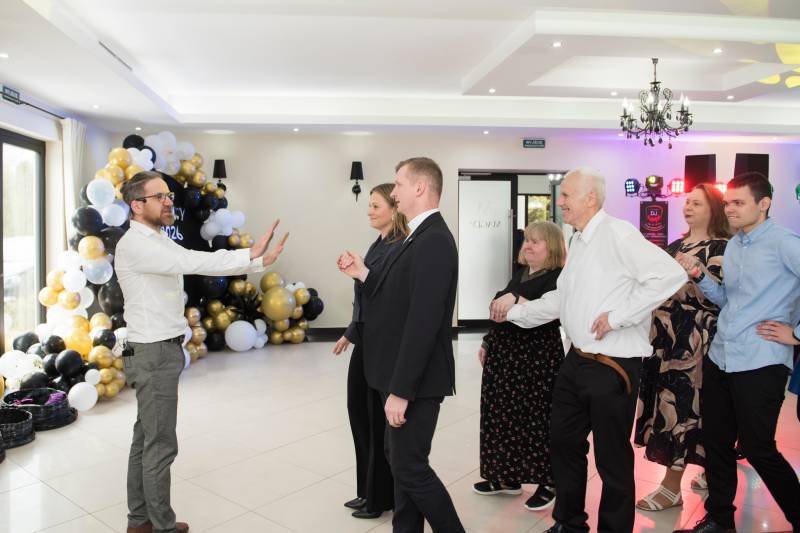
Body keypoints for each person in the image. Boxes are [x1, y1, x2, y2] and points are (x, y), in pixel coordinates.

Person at [492, 167, 686, 533]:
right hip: (576, 361)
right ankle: (569, 523)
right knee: (563, 444)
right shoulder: (578, 240)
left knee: (612, 459)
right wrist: (514, 312)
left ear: (591, 197)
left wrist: (619, 317)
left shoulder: (618, 233)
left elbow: (670, 275)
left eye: (566, 195)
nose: (560, 202)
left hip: (613, 365)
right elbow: (562, 299)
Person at [116, 171, 287, 533]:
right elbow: (194, 262)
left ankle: (139, 520)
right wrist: (251, 254)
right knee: (160, 444)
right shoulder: (136, 245)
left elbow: (189, 259)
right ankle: (161, 526)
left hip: (155, 351)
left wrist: (257, 262)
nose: (169, 202)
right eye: (159, 197)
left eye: (168, 196)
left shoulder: (156, 240)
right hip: (152, 354)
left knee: (145, 439)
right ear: (136, 205)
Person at [338, 157, 464, 533]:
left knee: (409, 467)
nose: (394, 192)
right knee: (400, 462)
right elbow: (396, 297)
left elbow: (423, 323)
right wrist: (363, 273)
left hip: (416, 380)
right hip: (400, 372)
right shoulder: (415, 236)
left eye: (398, 184)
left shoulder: (434, 240)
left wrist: (401, 389)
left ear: (420, 188)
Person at [673, 172, 800, 533]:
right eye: (728, 202)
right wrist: (700, 276)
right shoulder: (734, 246)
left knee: (759, 449)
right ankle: (719, 519)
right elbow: (729, 300)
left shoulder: (785, 243)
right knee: (716, 444)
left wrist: (796, 334)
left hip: (761, 361)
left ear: (764, 204)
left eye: (739, 203)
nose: (729, 209)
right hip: (722, 355)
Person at [634, 184, 730, 511]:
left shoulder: (722, 247)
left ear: (713, 208)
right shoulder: (674, 245)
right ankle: (711, 470)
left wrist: (696, 272)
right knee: (664, 406)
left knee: (686, 410)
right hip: (664, 337)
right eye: (687, 202)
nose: (688, 207)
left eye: (697, 203)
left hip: (693, 342)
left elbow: (720, 298)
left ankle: (671, 487)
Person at [472, 221, 566, 512]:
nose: (528, 246)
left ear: (552, 246)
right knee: (501, 416)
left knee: (537, 418)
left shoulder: (558, 278)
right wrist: (488, 342)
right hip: (506, 356)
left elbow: (540, 312)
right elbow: (499, 309)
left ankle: (548, 482)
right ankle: (506, 476)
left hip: (537, 359)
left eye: (536, 241)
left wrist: (514, 301)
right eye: (527, 240)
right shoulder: (521, 273)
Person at [333, 183, 408, 519]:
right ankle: (368, 490)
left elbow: (388, 297)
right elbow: (366, 295)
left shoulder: (399, 246)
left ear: (394, 208)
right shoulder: (379, 243)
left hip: (382, 345)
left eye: (376, 205)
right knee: (360, 416)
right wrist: (351, 331)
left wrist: (361, 272)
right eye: (369, 205)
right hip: (366, 339)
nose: (370, 211)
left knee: (376, 423)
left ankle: (379, 498)